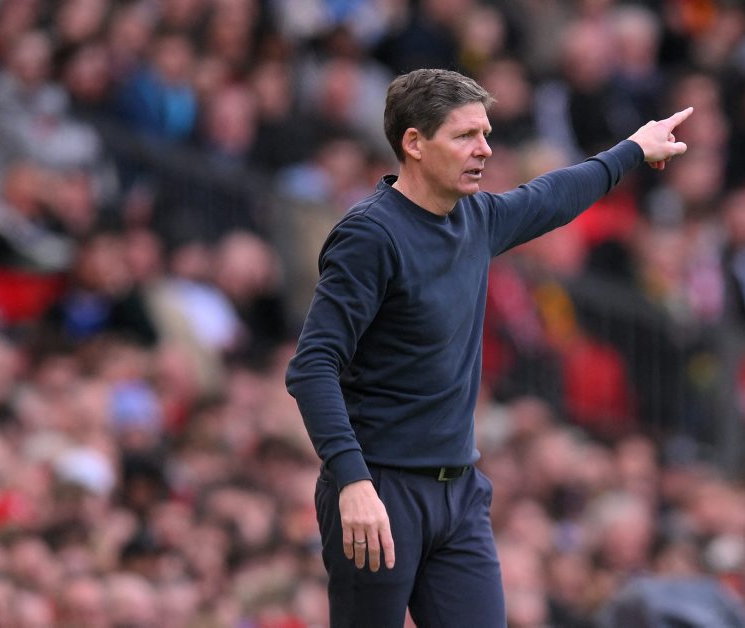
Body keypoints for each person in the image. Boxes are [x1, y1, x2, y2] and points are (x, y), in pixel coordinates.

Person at [285, 68, 691, 627]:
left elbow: (552, 196)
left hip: (459, 493)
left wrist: (634, 149)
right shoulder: (370, 236)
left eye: (486, 134)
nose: (485, 149)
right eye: (466, 136)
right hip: (380, 490)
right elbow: (312, 366)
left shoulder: (476, 218)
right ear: (414, 143)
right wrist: (352, 480)